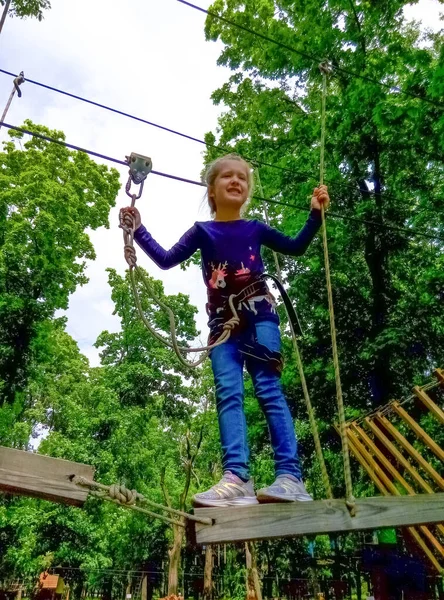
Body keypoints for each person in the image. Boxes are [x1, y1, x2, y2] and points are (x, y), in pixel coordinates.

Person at [120, 153, 330, 507]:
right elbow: (167, 258)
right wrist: (137, 230)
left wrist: (314, 214)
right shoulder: (204, 231)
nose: (236, 181)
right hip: (223, 328)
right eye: (227, 177)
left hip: (260, 317)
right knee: (228, 395)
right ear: (212, 190)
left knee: (268, 390)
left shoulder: (256, 228)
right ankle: (237, 478)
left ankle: (290, 477)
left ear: (246, 190)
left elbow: (296, 246)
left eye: (242, 178)